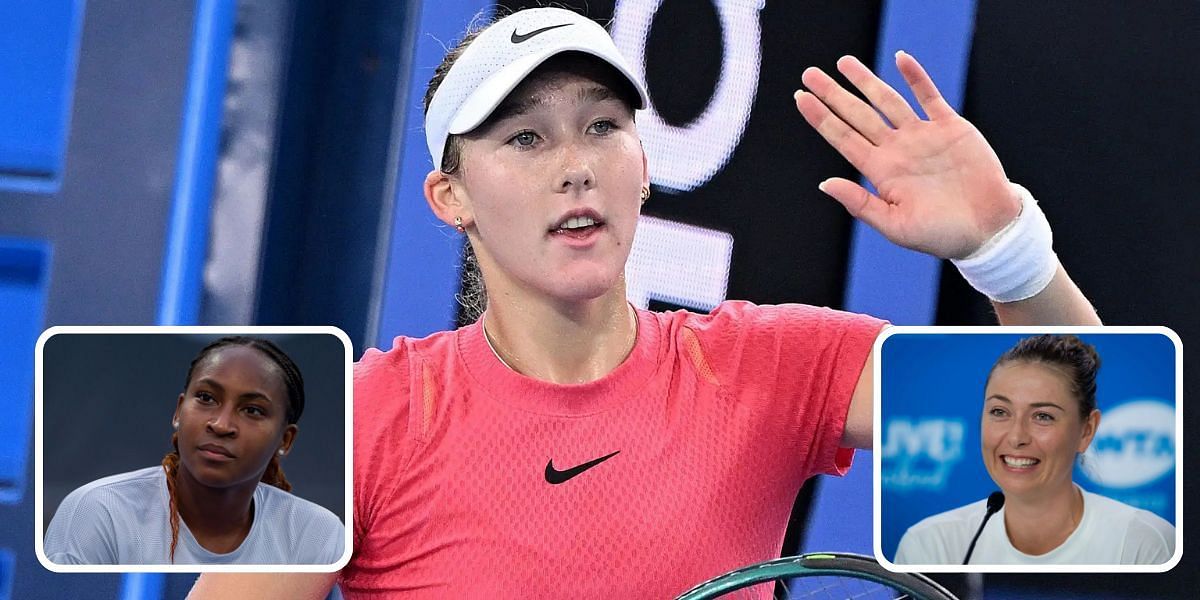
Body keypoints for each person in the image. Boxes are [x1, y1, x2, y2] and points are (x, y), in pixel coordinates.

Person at [190, 6, 1099, 598]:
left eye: (601, 126)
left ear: (642, 161)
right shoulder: (361, 422)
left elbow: (1116, 434)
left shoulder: (770, 366)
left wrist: (1005, 250)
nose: (576, 163)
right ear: (450, 198)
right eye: (526, 138)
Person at [43, 336, 344, 565]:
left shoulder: (316, 533)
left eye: (252, 410)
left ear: (285, 440)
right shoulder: (98, 511)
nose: (221, 424)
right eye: (206, 398)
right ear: (178, 411)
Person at [894, 335, 1174, 565]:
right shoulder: (929, 544)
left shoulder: (1145, 543)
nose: (1016, 437)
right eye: (1000, 411)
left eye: (1043, 416)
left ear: (1086, 430)